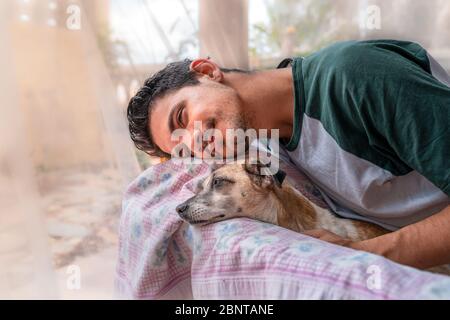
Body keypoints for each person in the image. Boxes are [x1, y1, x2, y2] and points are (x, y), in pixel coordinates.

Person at [127, 40, 450, 270]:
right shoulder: (267, 152)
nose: (199, 143)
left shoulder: (355, 77)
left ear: (207, 70)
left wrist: (365, 253)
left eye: (182, 118)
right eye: (186, 147)